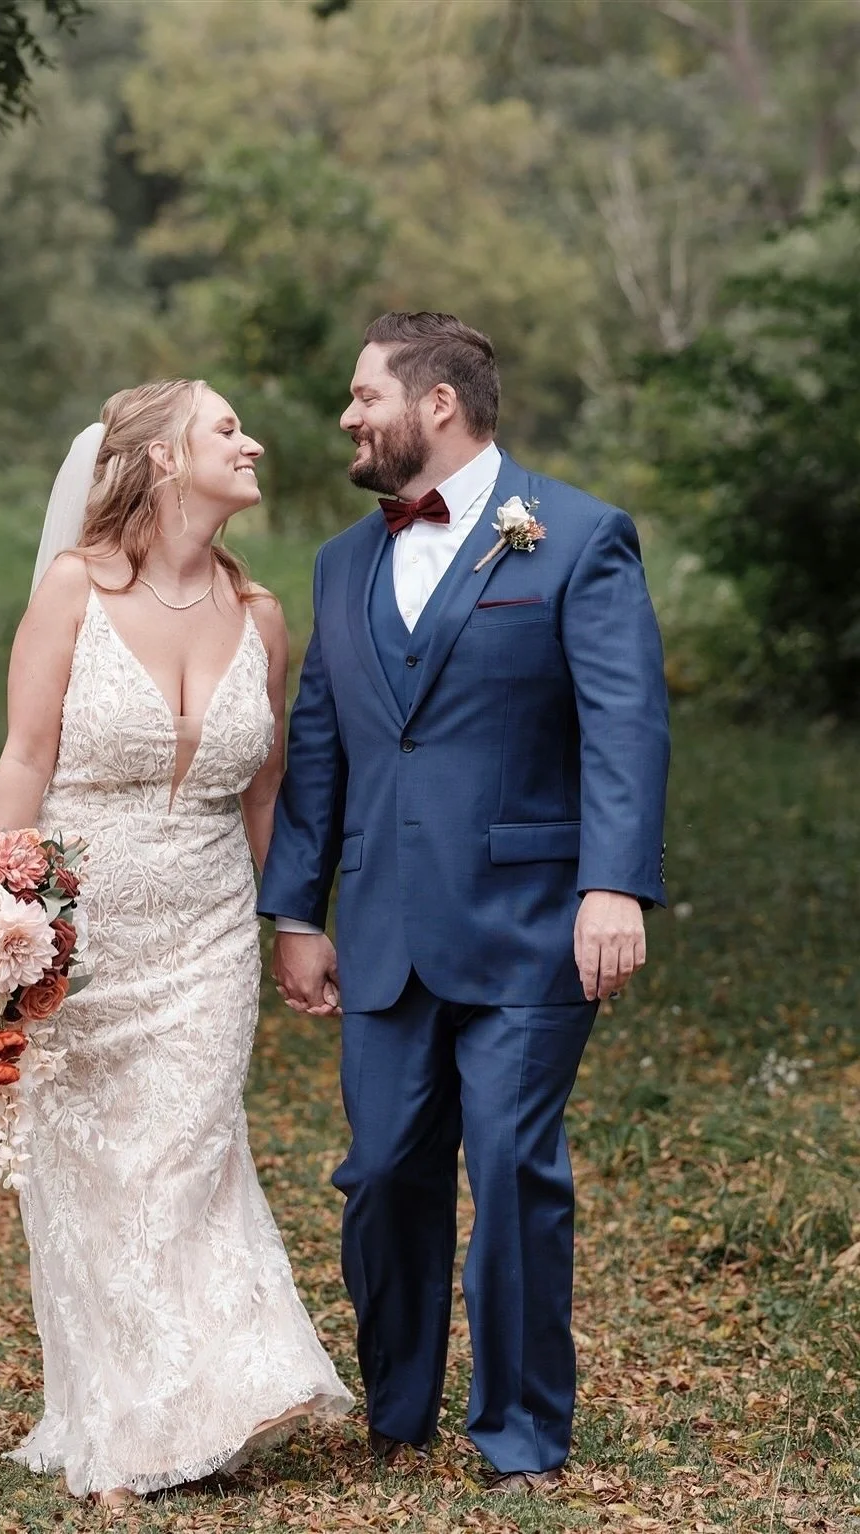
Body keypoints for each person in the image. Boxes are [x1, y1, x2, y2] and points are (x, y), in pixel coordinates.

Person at [259, 312, 670, 1493]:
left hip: (537, 921)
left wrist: (613, 884)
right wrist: (298, 912)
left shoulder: (579, 536)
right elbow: (321, 748)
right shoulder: (344, 561)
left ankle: (525, 1435)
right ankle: (399, 1406)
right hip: (385, 929)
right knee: (383, 1169)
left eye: (363, 394)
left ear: (437, 404)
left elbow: (624, 723)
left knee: (510, 1160)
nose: (346, 415)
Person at [0, 379, 351, 1506]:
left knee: (185, 1150)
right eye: (225, 428)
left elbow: (266, 794)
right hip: (83, 932)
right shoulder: (71, 593)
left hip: (203, 931)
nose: (252, 443)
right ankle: (130, 1410)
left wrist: (293, 920)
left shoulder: (264, 614)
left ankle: (228, 1386)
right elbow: (25, 763)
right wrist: (0, 920)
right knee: (95, 1169)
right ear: (156, 461)